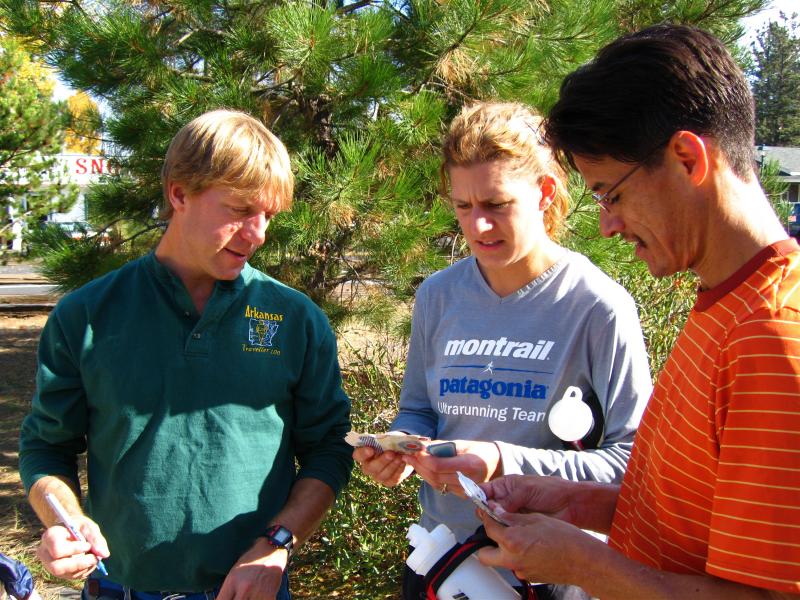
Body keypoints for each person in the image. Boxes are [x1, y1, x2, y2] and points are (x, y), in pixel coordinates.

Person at [476, 24, 800, 598]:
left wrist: (584, 566)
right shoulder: (724, 304)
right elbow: (689, 519)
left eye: (612, 194)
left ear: (686, 157)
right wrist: (573, 502)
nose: (607, 225)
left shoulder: (770, 336)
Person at [18, 110, 353, 600]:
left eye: (268, 216)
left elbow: (329, 447)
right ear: (179, 193)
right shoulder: (86, 315)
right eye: (240, 210)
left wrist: (275, 545)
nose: (258, 234)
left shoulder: (295, 319)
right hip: (120, 587)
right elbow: (46, 448)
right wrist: (63, 521)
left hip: (250, 589)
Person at [354, 101, 653, 599]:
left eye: (496, 205)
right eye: (463, 207)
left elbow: (631, 465)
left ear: (545, 193)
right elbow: (421, 409)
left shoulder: (598, 306)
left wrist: (500, 460)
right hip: (440, 559)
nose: (478, 227)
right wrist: (400, 448)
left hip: (546, 573)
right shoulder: (437, 295)